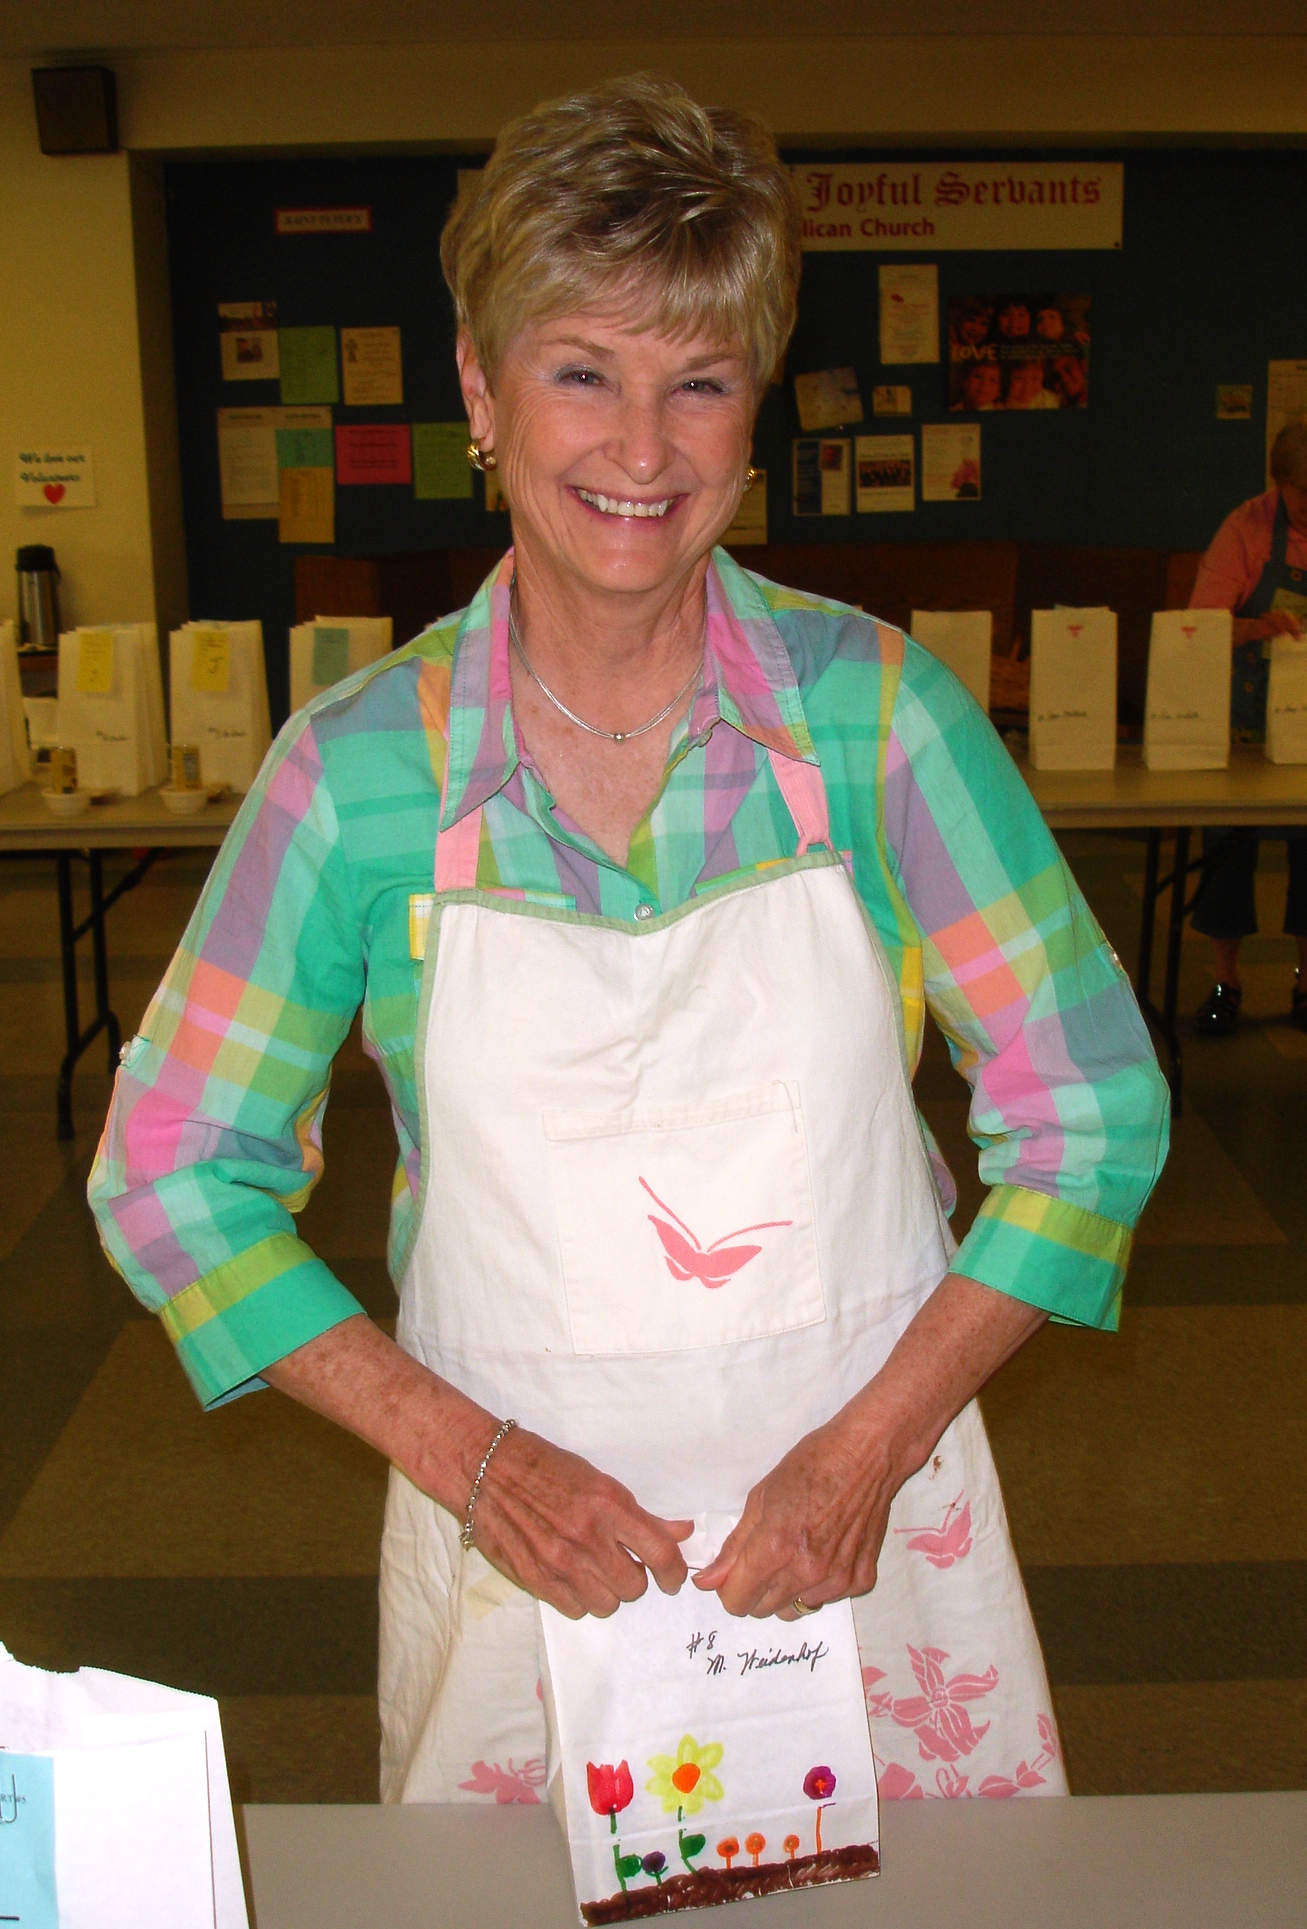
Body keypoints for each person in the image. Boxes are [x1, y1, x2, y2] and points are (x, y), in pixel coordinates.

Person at [89, 74, 1168, 1807]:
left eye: (700, 381)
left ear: (756, 408)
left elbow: (1093, 1115)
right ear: (478, 388)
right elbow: (169, 1173)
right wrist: (467, 1453)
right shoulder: (354, 777)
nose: (644, 452)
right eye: (582, 372)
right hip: (521, 1563)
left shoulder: (879, 722)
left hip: (869, 1541)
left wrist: (869, 1446)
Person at [1187, 418, 1307, 1035]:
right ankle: (1226, 981)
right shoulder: (1246, 529)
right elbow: (1197, 628)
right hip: (1242, 714)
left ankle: (1306, 983)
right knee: (1229, 850)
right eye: (1304, 495)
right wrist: (1262, 626)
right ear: (1279, 484)